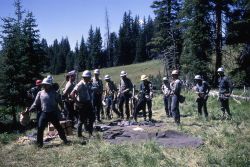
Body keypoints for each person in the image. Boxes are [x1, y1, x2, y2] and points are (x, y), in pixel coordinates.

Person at [28, 76, 69, 147]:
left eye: (46, 84)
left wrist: (63, 109)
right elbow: (35, 103)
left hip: (53, 113)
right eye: (44, 84)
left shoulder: (55, 93)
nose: (44, 86)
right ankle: (39, 144)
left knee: (58, 127)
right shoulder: (40, 93)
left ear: (50, 85)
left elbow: (60, 102)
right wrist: (30, 109)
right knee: (40, 128)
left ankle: (65, 140)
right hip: (44, 113)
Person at [70, 70, 95, 138]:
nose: (90, 78)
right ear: (85, 77)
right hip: (82, 104)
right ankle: (79, 135)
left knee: (91, 118)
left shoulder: (87, 83)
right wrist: (77, 103)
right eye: (89, 77)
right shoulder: (80, 84)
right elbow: (72, 94)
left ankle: (90, 133)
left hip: (88, 103)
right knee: (81, 120)